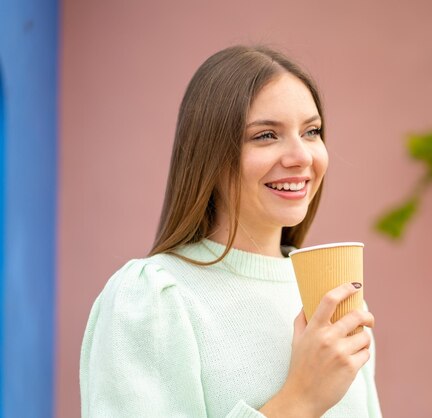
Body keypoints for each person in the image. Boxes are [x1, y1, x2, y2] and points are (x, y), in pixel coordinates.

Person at [80, 45, 382, 417]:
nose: (302, 156)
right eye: (266, 135)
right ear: (209, 152)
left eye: (311, 131)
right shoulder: (155, 298)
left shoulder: (332, 299)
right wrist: (299, 400)